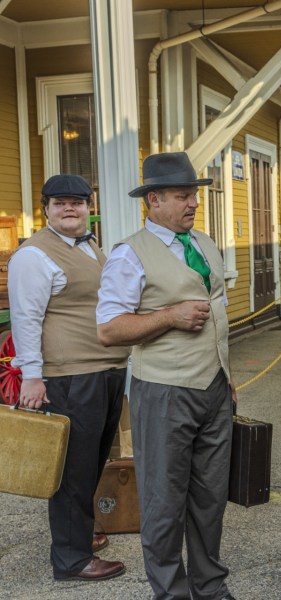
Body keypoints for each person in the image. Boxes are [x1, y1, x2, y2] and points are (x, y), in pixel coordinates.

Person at [96, 152, 236, 600]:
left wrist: (226, 376)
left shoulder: (205, 243)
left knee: (210, 499)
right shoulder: (129, 254)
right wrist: (170, 316)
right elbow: (109, 329)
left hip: (214, 389)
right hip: (164, 392)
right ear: (153, 200)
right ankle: (171, 593)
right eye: (182, 196)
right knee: (163, 502)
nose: (193, 203)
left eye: (194, 194)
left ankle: (209, 586)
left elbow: (217, 310)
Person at [8, 174, 129, 581]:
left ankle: (79, 535)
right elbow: (26, 319)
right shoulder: (33, 255)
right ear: (45, 209)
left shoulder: (90, 245)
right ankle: (72, 560)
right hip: (69, 376)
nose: (70, 208)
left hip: (104, 370)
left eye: (77, 202)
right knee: (72, 472)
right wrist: (32, 377)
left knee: (92, 461)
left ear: (88, 206)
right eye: (60, 203)